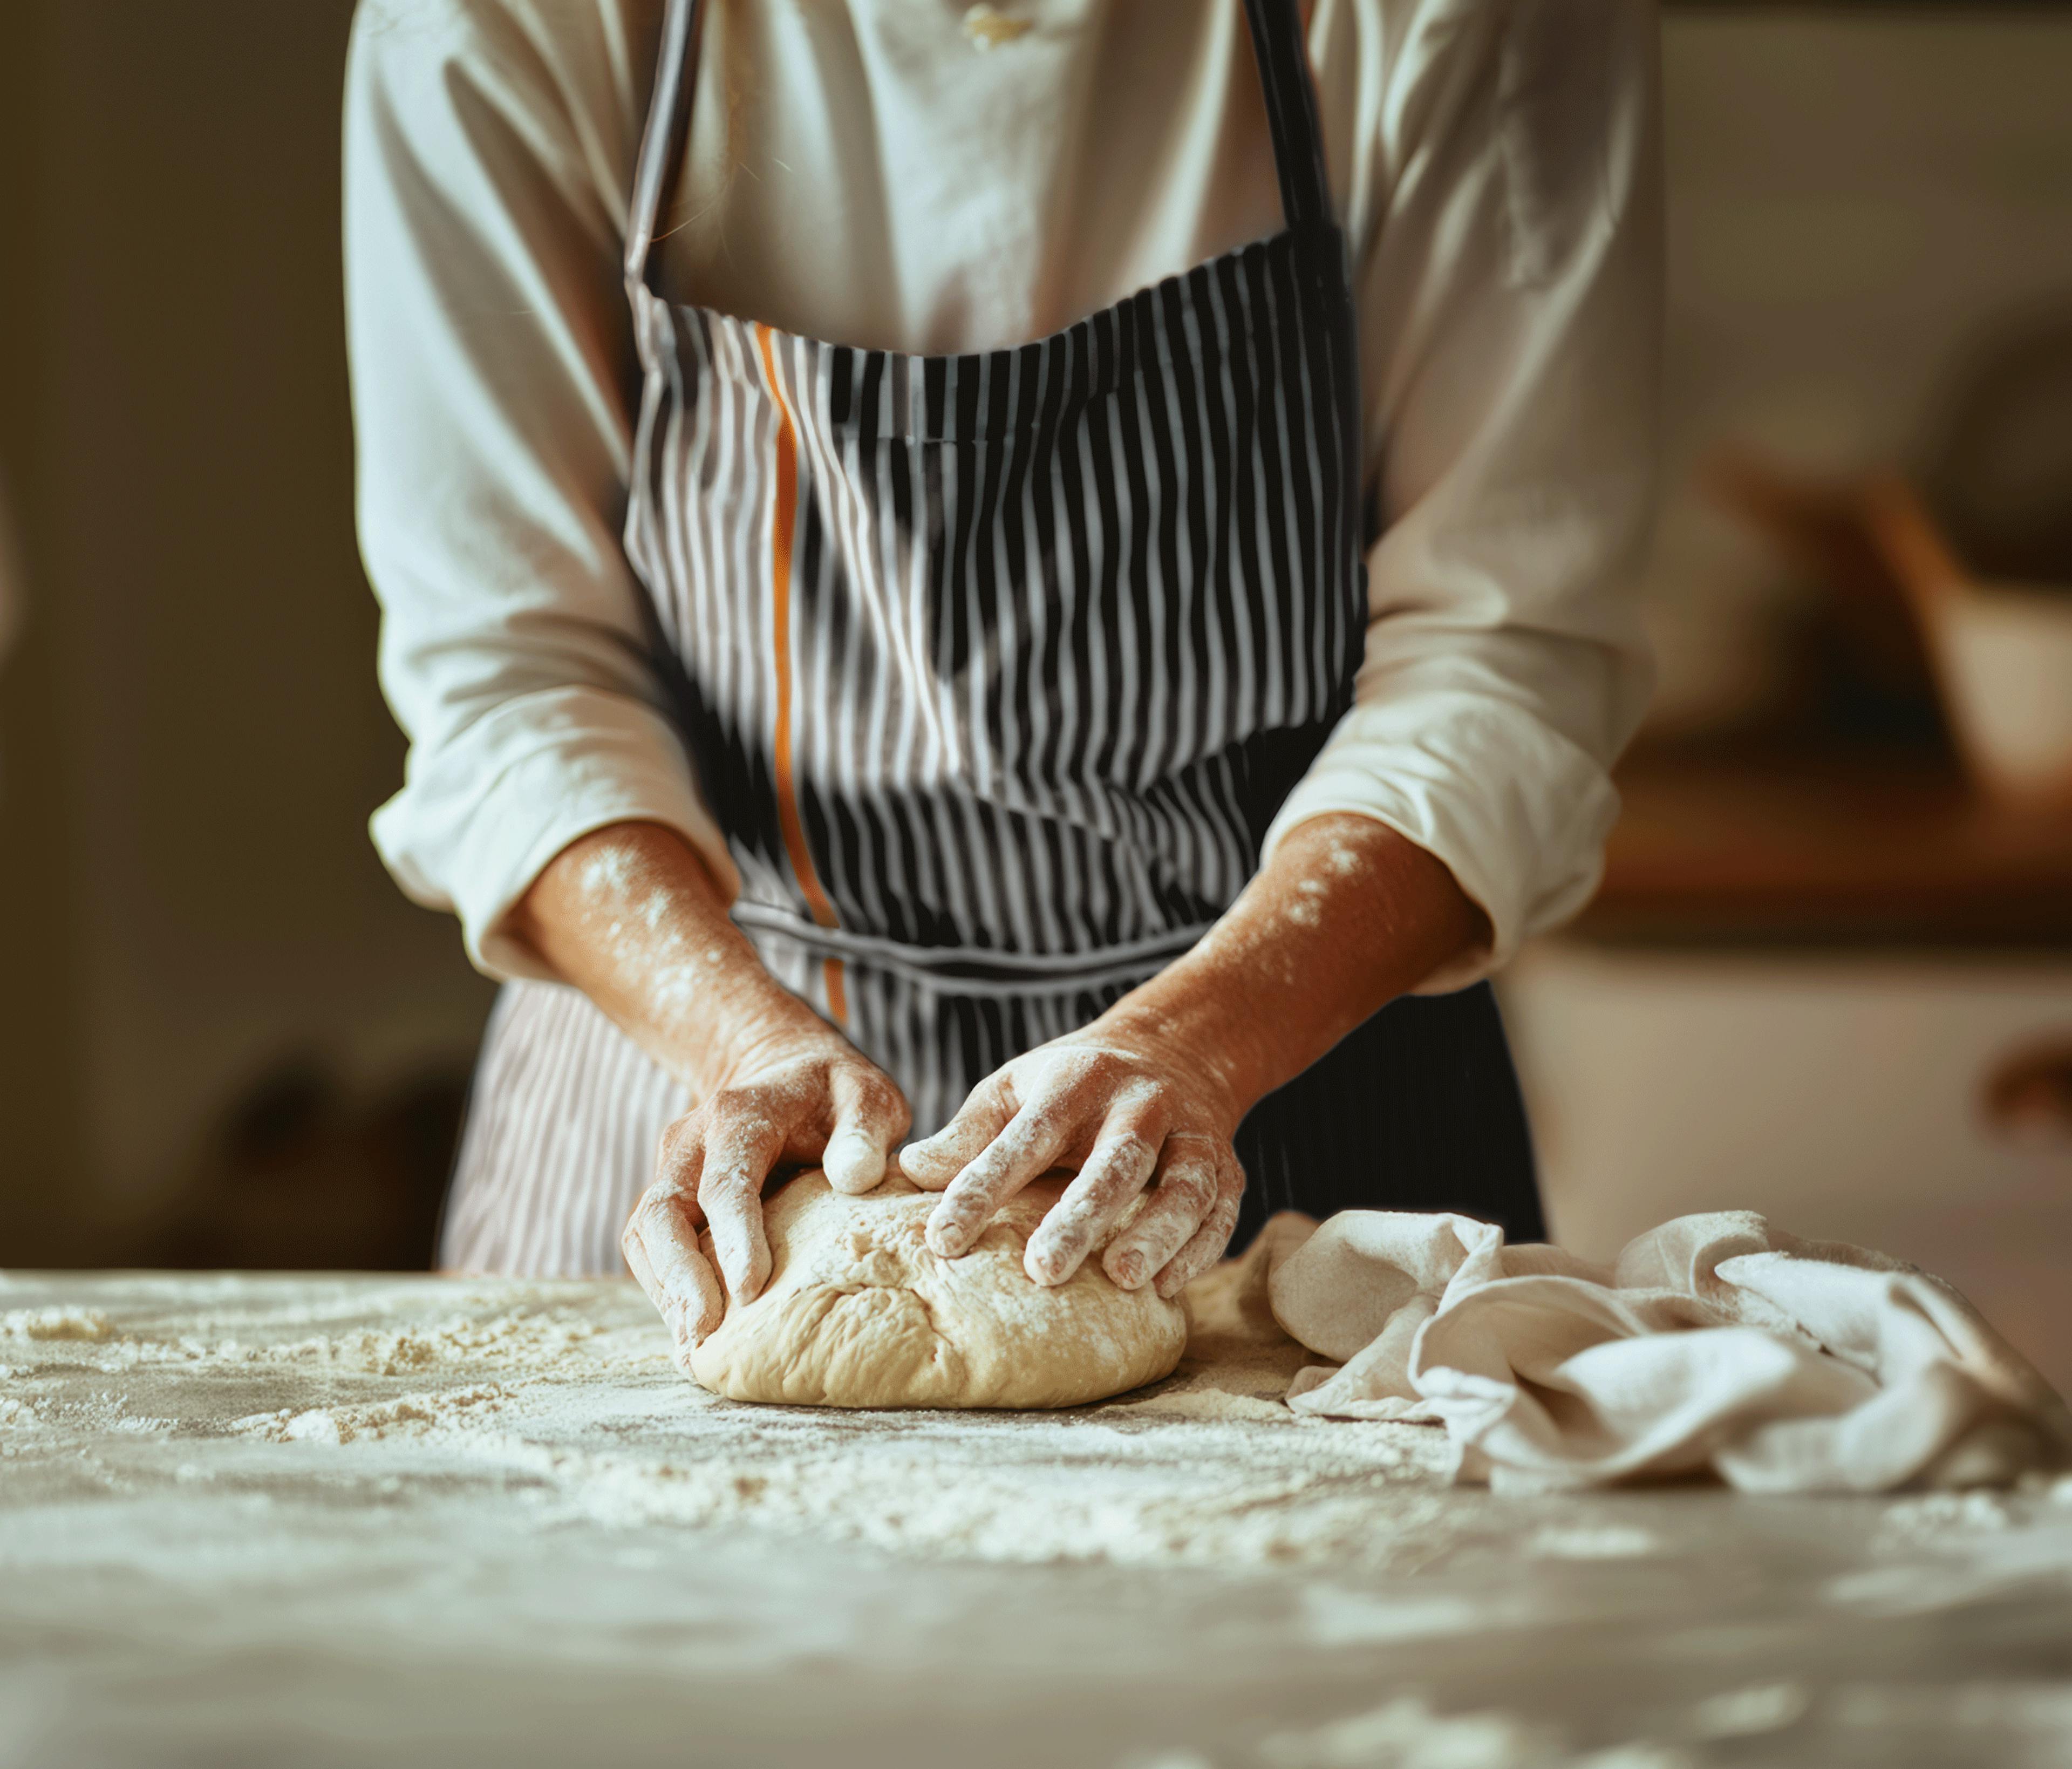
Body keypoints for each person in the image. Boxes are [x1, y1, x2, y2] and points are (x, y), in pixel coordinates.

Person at [344, 0, 1660, 1358]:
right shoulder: (497, 22)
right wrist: (738, 1042)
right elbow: (513, 677)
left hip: (1299, 1092)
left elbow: (1503, 650)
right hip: (701, 1111)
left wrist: (1198, 1045)